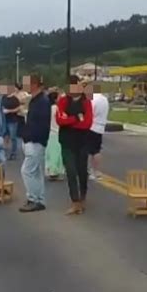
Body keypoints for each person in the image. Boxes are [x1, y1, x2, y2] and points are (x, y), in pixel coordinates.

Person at [56, 76, 93, 215]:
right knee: (70, 171)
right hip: (66, 142)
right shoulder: (63, 101)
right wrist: (77, 118)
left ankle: (83, 195)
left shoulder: (86, 102)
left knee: (82, 171)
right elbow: (60, 120)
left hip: (82, 142)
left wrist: (69, 120)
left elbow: (87, 123)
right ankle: (75, 201)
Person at [18, 75, 51, 212]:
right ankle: (40, 199)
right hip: (33, 141)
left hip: (35, 141)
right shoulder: (35, 100)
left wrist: (31, 138)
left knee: (26, 171)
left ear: (35, 84)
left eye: (27, 83)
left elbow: (42, 124)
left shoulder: (42, 101)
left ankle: (32, 198)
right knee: (36, 172)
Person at [88, 88, 110, 180]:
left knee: (90, 151)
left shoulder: (93, 100)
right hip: (100, 127)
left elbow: (89, 113)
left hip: (92, 126)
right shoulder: (104, 99)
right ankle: (95, 171)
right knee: (96, 150)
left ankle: (92, 171)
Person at [45, 90, 65, 180]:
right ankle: (54, 171)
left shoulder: (47, 108)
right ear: (55, 99)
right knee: (56, 153)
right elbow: (63, 118)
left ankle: (50, 170)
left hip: (49, 133)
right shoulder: (56, 108)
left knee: (49, 153)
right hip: (56, 132)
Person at [2, 86, 21, 160]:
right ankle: (5, 152)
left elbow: (19, 108)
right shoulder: (3, 98)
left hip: (13, 120)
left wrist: (9, 111)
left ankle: (13, 153)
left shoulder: (15, 99)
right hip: (4, 120)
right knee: (5, 136)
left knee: (13, 137)